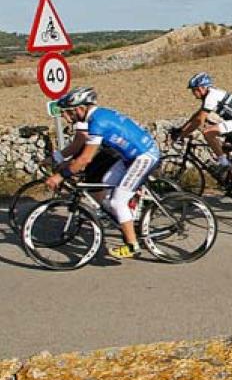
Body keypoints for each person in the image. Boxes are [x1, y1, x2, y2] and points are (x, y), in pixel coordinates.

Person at [45, 87, 160, 259]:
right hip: (131, 157)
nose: (67, 117)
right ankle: (128, 218)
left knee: (117, 202)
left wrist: (60, 176)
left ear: (80, 109)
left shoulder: (97, 122)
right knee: (105, 182)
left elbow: (85, 158)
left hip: (144, 157)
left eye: (69, 112)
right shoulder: (97, 116)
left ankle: (132, 246)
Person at [171, 72, 232, 179]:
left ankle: (224, 164)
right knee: (225, 150)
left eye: (194, 90)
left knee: (208, 133)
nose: (193, 94)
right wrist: (181, 129)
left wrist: (182, 135)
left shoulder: (211, 96)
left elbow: (199, 120)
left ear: (201, 88)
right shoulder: (211, 94)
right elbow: (196, 116)